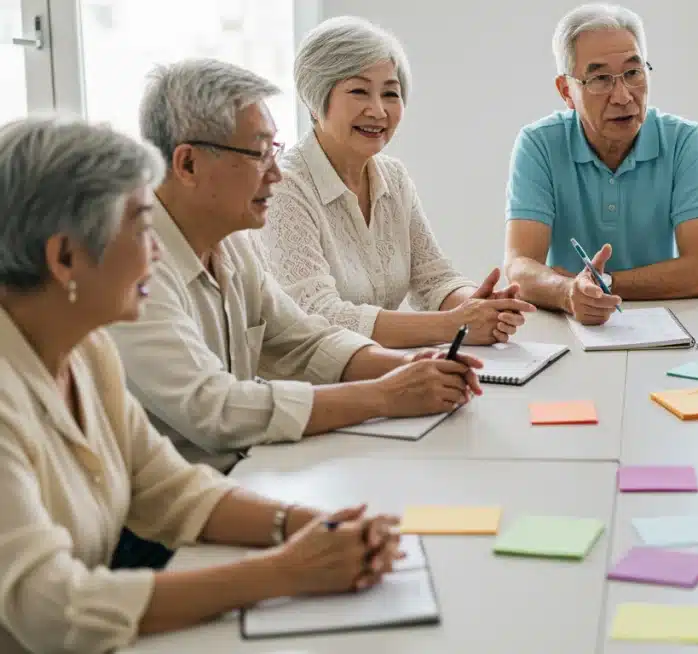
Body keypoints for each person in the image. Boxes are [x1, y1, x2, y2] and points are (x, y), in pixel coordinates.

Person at [0, 115, 404, 654]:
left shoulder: (88, 351)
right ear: (65, 257)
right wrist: (283, 573)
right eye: (142, 228)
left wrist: (315, 525)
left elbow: (167, 489)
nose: (158, 251)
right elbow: (51, 609)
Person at [106, 58, 484, 476]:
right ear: (188, 164)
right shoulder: (131, 270)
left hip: (244, 476)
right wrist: (383, 396)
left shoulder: (229, 240)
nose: (275, 174)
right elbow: (215, 409)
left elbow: (300, 337)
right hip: (173, 517)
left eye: (275, 151)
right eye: (258, 154)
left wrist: (407, 368)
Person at [259, 16, 535, 348]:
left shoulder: (393, 176)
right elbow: (319, 315)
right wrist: (452, 326)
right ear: (316, 101)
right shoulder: (284, 186)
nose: (378, 111)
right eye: (359, 91)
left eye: (391, 93)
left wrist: (478, 305)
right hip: (314, 388)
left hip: (385, 370)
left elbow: (434, 279)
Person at [503, 3, 698, 326]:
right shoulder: (539, 144)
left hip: (662, 324)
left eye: (633, 73)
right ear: (566, 90)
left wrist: (603, 284)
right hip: (572, 326)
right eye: (600, 79)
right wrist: (567, 292)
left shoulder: (684, 140)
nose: (622, 96)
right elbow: (520, 267)